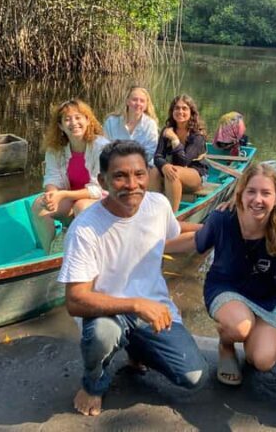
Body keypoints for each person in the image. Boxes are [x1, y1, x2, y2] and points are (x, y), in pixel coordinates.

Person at [58, 140, 207, 417]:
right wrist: (136, 304)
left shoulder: (158, 204)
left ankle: (136, 347)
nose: (132, 184)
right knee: (103, 334)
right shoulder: (85, 229)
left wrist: (212, 230)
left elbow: (171, 236)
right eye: (120, 176)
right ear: (103, 180)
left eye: (139, 174)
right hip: (106, 314)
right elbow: (76, 301)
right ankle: (93, 382)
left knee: (194, 377)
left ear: (149, 173)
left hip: (151, 310)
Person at [165, 163, 276, 386]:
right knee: (240, 327)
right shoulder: (223, 218)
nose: (257, 199)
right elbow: (196, 242)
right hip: (226, 288)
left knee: (262, 361)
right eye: (251, 191)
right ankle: (226, 345)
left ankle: (250, 334)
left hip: (267, 297)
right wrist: (153, 247)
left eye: (266, 193)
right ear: (240, 193)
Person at [32, 99, 109, 251]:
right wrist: (52, 194)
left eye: (78, 117)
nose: (73, 123)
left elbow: (98, 189)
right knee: (38, 206)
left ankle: (87, 251)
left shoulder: (101, 146)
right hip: (70, 199)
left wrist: (63, 194)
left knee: (82, 207)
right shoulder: (55, 149)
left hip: (102, 199)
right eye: (67, 119)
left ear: (87, 120)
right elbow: (51, 177)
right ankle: (50, 255)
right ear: (60, 126)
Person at [153, 94, 208, 212]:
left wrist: (174, 140)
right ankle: (153, 211)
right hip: (173, 171)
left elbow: (184, 161)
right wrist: (164, 165)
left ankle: (173, 216)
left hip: (195, 175)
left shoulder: (197, 135)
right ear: (172, 111)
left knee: (174, 172)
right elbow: (157, 156)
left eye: (184, 108)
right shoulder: (167, 130)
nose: (180, 111)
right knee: (152, 171)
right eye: (177, 108)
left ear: (191, 112)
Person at [102, 86, 159, 166]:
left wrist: (132, 164)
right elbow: (105, 148)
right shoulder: (111, 122)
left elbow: (150, 152)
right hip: (116, 166)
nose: (138, 103)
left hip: (142, 167)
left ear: (146, 105)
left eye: (142, 101)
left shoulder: (150, 125)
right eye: (134, 99)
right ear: (127, 101)